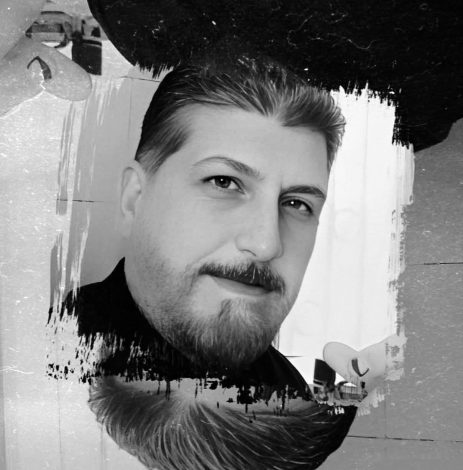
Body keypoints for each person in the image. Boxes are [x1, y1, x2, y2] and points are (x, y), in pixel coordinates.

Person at [49, 58, 356, 469]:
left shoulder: (284, 388)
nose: (266, 244)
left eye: (297, 203)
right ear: (134, 198)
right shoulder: (41, 367)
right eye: (223, 182)